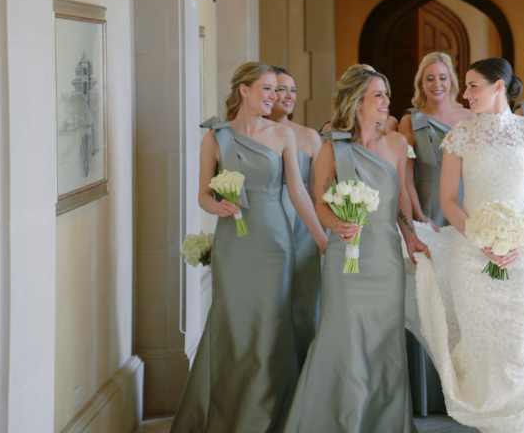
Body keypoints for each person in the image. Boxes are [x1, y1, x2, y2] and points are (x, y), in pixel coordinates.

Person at [173, 63, 328, 433]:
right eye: (269, 89)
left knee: (271, 326)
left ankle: (269, 416)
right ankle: (226, 412)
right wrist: (218, 206)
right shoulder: (215, 138)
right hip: (233, 245)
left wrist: (323, 239)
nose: (275, 98)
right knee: (232, 325)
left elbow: (298, 192)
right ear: (244, 90)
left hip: (275, 243)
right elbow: (202, 196)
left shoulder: (283, 135)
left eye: (278, 91)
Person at [412, 57, 524, 433]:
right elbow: (447, 201)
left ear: (498, 87)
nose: (465, 93)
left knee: (520, 343)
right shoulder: (461, 135)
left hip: (523, 254)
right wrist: (483, 239)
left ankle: (521, 426)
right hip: (472, 254)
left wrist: (519, 236)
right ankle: (485, 427)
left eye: (473, 85)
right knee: (481, 347)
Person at [282, 64, 427, 433]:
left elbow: (400, 203)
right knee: (342, 334)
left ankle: (384, 422)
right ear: (357, 101)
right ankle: (336, 420)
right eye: (379, 95)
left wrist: (410, 236)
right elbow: (321, 203)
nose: (386, 101)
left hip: (384, 257)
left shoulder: (397, 144)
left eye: (386, 94)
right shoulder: (332, 148)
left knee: (384, 339)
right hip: (343, 255)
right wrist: (337, 227)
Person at [398, 52, 476, 416]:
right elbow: (404, 176)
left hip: (467, 208)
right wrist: (417, 217)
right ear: (421, 83)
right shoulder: (409, 122)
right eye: (429, 78)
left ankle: (466, 385)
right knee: (428, 297)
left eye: (443, 77)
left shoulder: (471, 118)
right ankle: (429, 392)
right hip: (427, 211)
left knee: (462, 293)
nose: (437, 84)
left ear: (453, 81)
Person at [265, 67, 324, 370]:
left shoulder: (309, 136)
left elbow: (317, 191)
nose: (287, 96)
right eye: (279, 89)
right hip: (266, 224)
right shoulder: (247, 134)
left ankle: (304, 376)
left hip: (304, 228)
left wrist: (324, 234)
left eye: (292, 89)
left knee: (303, 301)